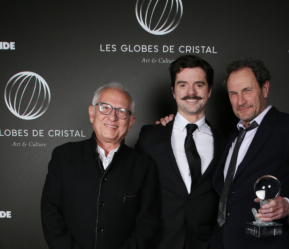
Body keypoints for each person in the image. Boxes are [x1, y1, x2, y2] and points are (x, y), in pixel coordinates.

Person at [210, 58, 289, 249]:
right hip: (222, 242)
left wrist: (288, 205)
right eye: (233, 93)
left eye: (247, 90)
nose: (241, 101)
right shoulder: (231, 137)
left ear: (265, 89)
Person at [41, 83, 160, 249]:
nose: (112, 117)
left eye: (122, 111)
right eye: (105, 108)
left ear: (131, 121)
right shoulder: (64, 156)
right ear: (92, 113)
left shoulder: (144, 166)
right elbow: (51, 215)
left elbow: (147, 224)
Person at [135, 55, 225, 249]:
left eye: (199, 85)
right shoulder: (150, 137)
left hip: (207, 244)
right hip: (159, 243)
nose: (190, 92)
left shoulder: (225, 143)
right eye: (183, 85)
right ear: (173, 91)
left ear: (209, 91)